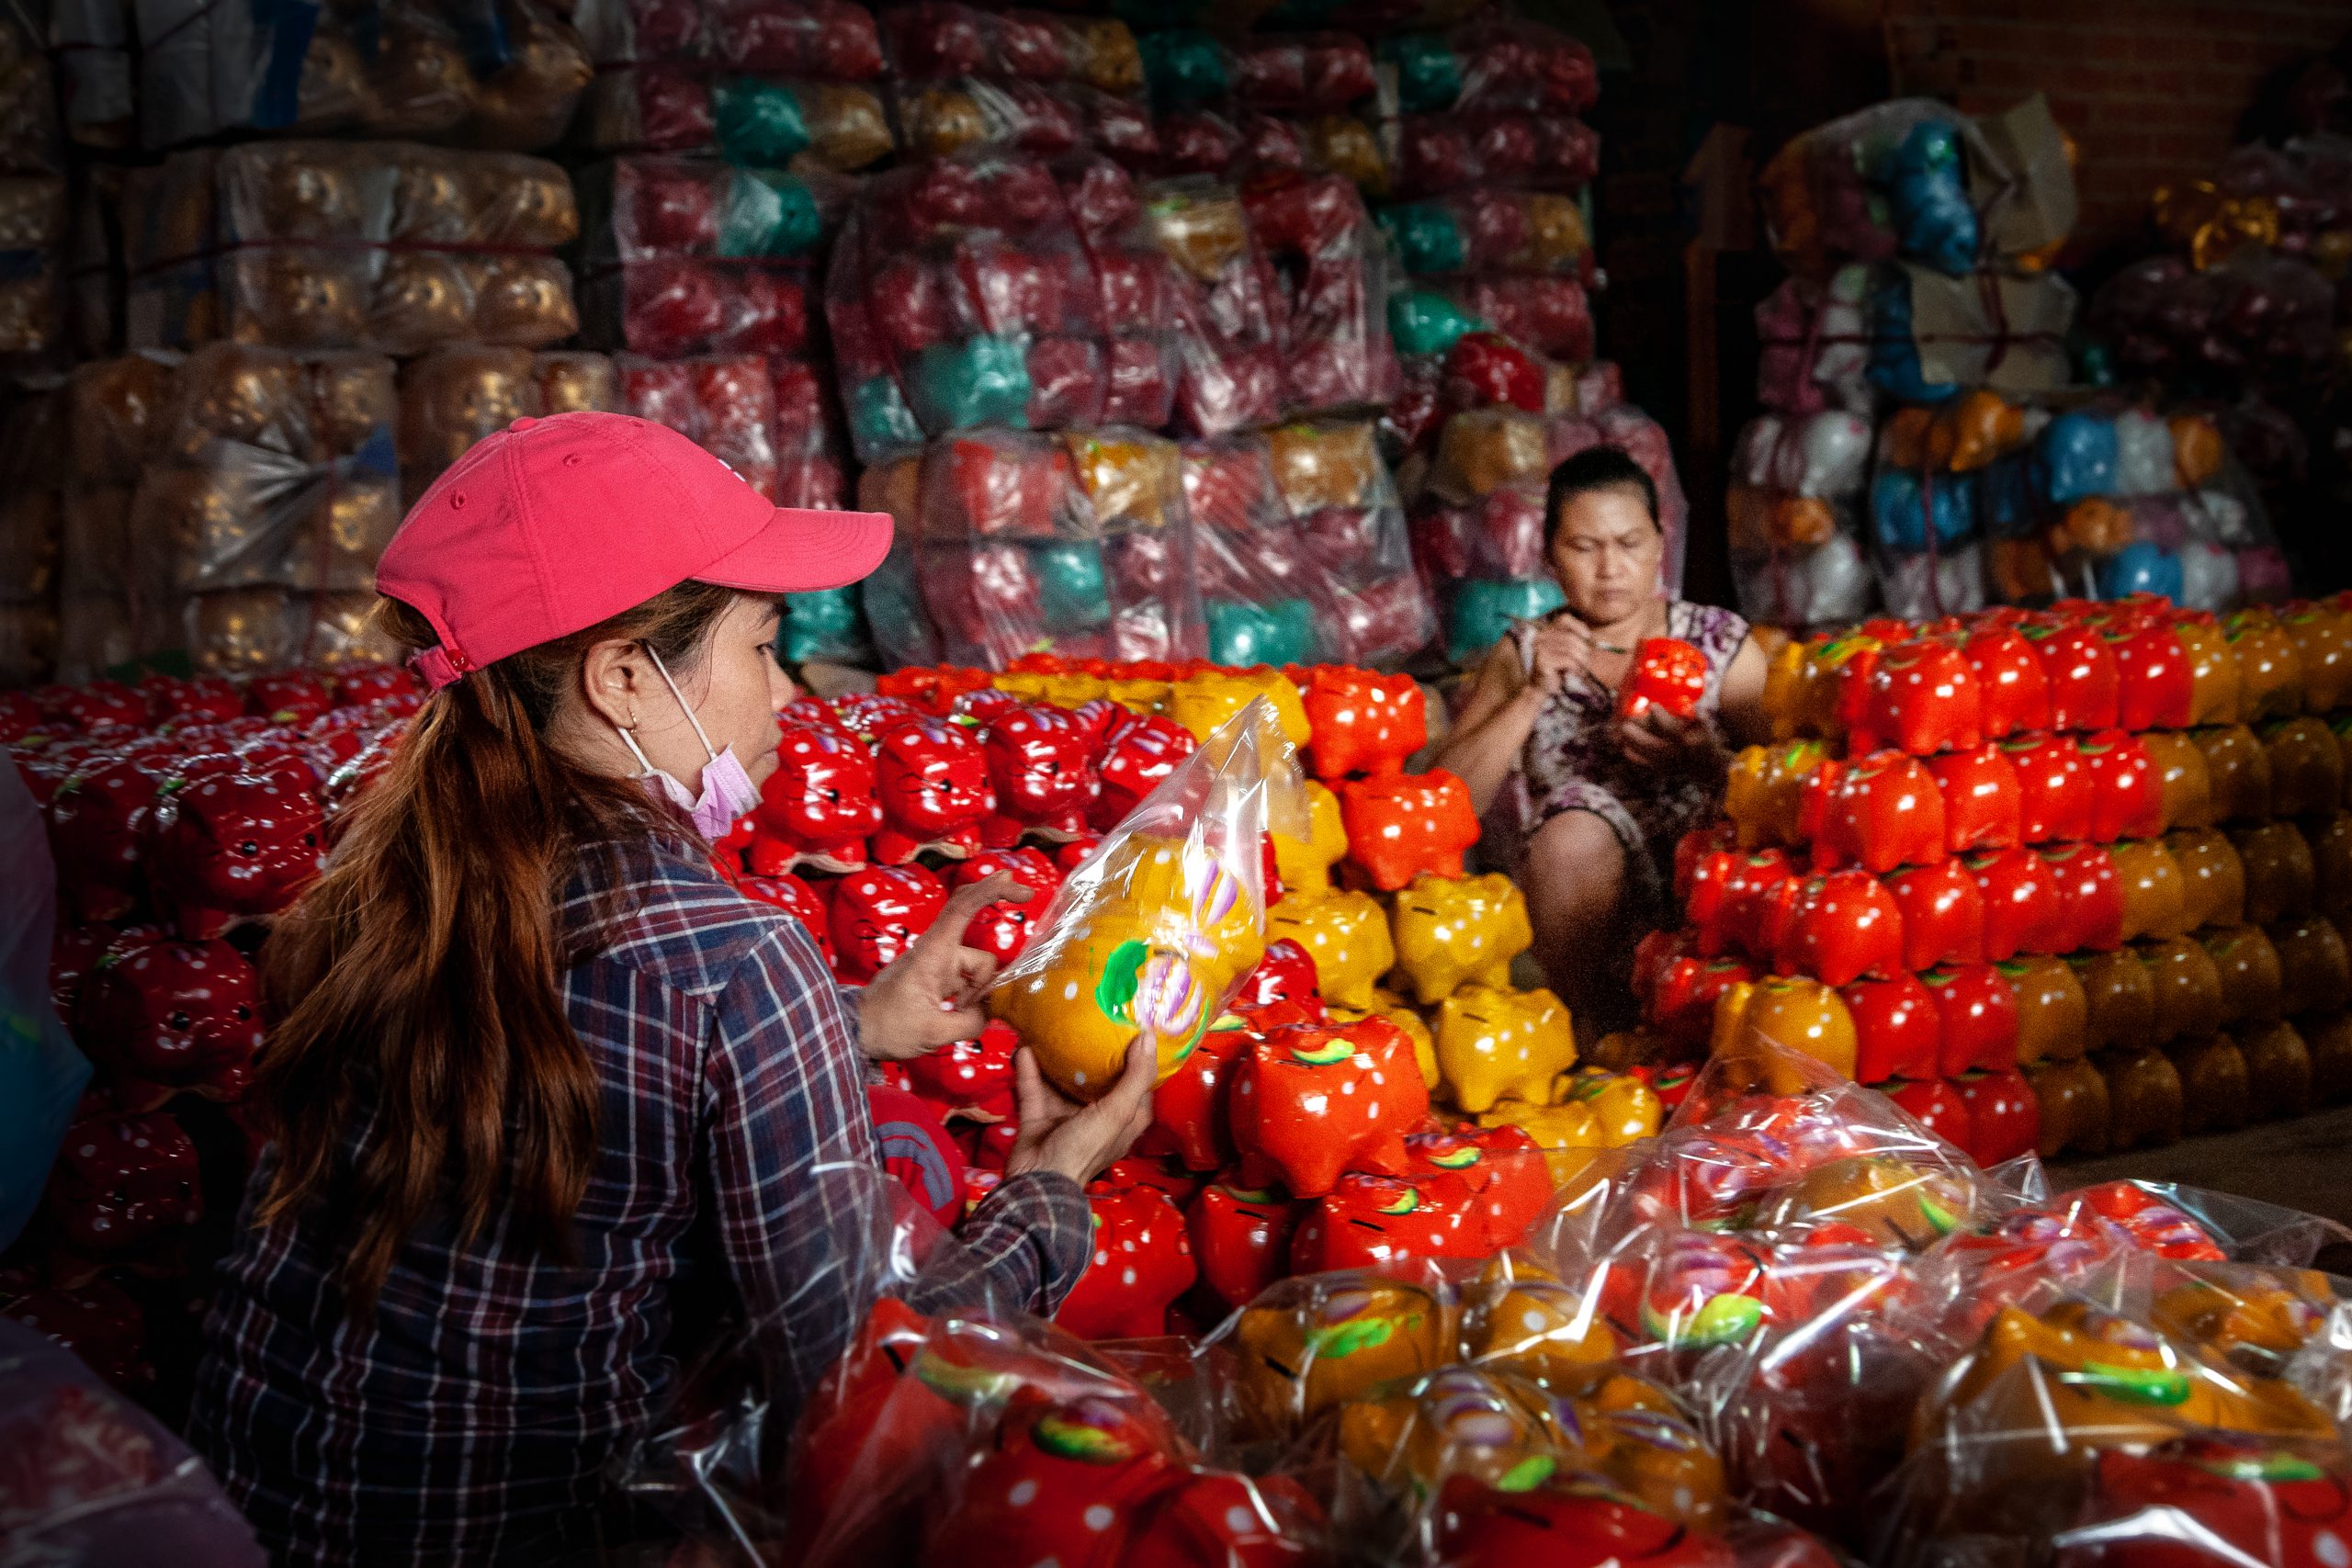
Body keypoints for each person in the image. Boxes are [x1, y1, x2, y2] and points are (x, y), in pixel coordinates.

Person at [190, 412, 1158, 1566]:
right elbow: (857, 1378)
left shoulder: (376, 887)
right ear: (623, 680)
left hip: (253, 1521)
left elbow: (579, 1068)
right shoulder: (732, 961)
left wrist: (855, 1026)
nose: (790, 694)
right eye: (760, 647)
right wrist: (1048, 1198)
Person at [1433, 446, 1772, 1034]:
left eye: (1629, 543)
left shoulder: (1723, 646)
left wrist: (1705, 762)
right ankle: (1596, 1034)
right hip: (1589, 911)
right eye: (1584, 548)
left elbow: (1783, 788)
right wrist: (1533, 693)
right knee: (1571, 834)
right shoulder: (1526, 653)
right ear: (1550, 557)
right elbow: (1441, 805)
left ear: (1660, 543)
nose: (1609, 567)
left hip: (1715, 893)